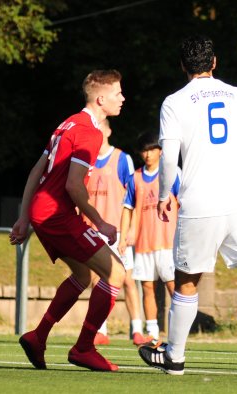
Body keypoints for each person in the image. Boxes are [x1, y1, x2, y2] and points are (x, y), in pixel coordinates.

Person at [137, 34, 237, 378]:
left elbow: (168, 159)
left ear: (182, 66)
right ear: (214, 62)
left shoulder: (174, 102)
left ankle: (174, 357)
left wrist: (165, 194)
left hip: (200, 202)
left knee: (187, 280)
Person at [9, 70, 127, 372]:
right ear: (101, 99)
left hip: (43, 212)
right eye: (118, 93)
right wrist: (100, 222)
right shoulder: (90, 131)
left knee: (83, 275)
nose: (123, 98)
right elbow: (74, 186)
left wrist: (24, 217)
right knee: (116, 274)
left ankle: (38, 337)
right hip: (56, 214)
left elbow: (37, 170)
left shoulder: (67, 124)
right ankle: (84, 348)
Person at [83, 118, 152, 346]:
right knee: (96, 281)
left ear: (110, 130)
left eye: (102, 127)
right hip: (93, 229)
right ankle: (99, 330)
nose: (99, 131)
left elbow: (133, 195)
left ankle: (137, 329)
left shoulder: (122, 159)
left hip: (117, 230)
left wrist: (130, 228)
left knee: (128, 281)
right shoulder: (86, 161)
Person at [118, 132, 178, 342]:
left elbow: (184, 202)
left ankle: (179, 331)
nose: (148, 154)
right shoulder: (135, 178)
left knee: (173, 286)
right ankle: (152, 332)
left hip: (168, 242)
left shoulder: (172, 174)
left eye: (152, 149)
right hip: (144, 243)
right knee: (147, 287)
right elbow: (127, 208)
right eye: (144, 150)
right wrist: (123, 236)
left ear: (160, 151)